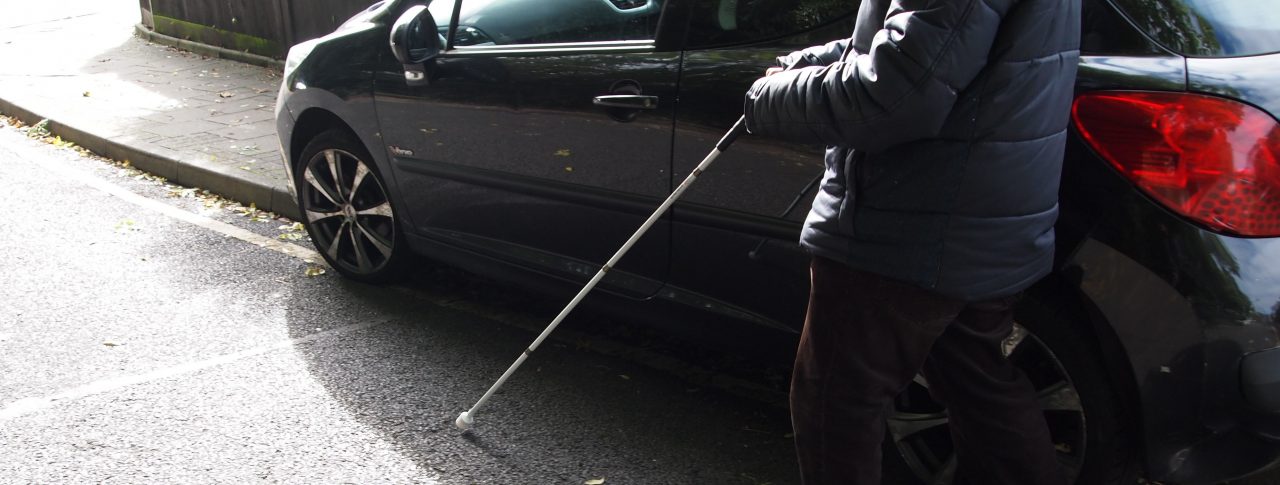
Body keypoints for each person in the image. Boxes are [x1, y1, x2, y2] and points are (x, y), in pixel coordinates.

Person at [741, 0, 1081, 483]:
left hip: (908, 227)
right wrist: (805, 63)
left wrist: (766, 99)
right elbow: (920, 47)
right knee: (977, 388)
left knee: (835, 402)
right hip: (982, 221)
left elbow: (896, 93)